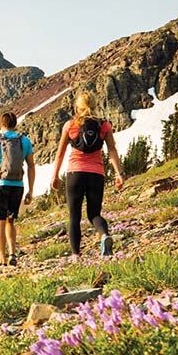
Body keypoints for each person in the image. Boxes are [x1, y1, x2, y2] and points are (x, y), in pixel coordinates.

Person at [50, 91, 126, 258]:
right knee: (94, 214)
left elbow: (60, 153)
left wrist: (55, 176)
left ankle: (76, 255)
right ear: (94, 105)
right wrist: (119, 173)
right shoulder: (104, 125)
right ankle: (105, 235)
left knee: (74, 217)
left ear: (77, 107)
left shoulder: (70, 125)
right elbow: (112, 150)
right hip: (96, 174)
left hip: (75, 174)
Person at [0, 111, 34, 266]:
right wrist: (30, 190)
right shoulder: (24, 140)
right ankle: (12, 253)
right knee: (11, 220)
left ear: (1, 123)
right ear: (15, 123)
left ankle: (2, 258)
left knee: (0, 222)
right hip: (17, 185)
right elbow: (31, 166)